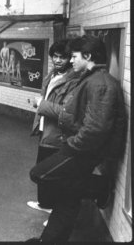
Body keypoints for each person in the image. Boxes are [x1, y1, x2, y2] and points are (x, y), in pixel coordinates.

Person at [27, 35, 127, 242]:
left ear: (88, 56)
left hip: (83, 150)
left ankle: (99, 186)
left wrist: (71, 145)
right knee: (67, 197)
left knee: (39, 174)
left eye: (74, 56)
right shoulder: (92, 79)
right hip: (82, 147)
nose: (71, 61)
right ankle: (50, 240)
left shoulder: (100, 83)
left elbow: (96, 129)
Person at [27, 39, 79, 215]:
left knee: (50, 172)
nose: (57, 60)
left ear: (70, 59)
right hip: (46, 129)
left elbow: (67, 112)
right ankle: (44, 203)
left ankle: (53, 209)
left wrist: (41, 104)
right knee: (42, 166)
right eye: (54, 57)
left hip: (58, 135)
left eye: (62, 57)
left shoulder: (73, 80)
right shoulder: (52, 74)